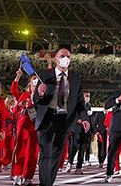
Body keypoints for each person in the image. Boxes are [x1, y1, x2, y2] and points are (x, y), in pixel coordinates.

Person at [34, 48, 91, 186]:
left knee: (55, 155)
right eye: (62, 56)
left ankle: (49, 183)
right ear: (56, 59)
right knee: (45, 153)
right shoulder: (44, 75)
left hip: (64, 120)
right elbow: (36, 100)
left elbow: (80, 103)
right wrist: (40, 94)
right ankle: (44, 183)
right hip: (47, 117)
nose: (65, 58)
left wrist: (85, 118)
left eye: (68, 56)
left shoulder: (75, 78)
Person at [13, 76, 40, 186]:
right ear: (29, 83)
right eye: (33, 80)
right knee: (20, 150)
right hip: (23, 125)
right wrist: (20, 105)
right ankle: (18, 174)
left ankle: (28, 176)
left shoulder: (42, 96)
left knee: (32, 152)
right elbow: (15, 110)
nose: (35, 82)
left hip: (36, 126)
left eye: (37, 80)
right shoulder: (24, 95)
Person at [67, 90, 92, 174]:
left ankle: (79, 167)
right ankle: (70, 162)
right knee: (75, 146)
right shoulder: (77, 104)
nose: (87, 97)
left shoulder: (88, 106)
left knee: (82, 148)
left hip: (86, 130)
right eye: (86, 96)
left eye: (88, 96)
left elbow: (91, 119)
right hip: (77, 128)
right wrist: (79, 120)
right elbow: (73, 114)